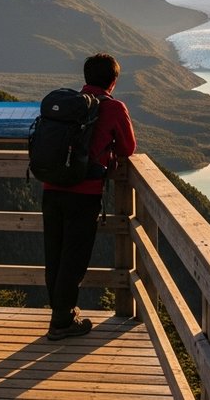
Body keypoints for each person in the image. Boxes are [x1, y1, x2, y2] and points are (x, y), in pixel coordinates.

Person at [42, 52, 137, 341]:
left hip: (51, 187)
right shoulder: (113, 107)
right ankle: (62, 320)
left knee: (55, 254)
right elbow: (128, 148)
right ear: (114, 81)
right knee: (75, 256)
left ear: (86, 77)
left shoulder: (68, 104)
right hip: (84, 193)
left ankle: (59, 314)